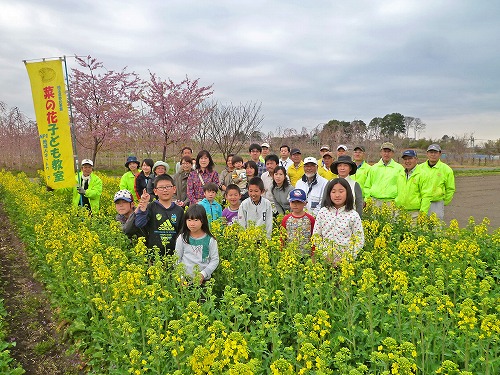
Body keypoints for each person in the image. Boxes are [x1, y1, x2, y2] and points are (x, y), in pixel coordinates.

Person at [313, 178, 365, 265]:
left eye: (341, 191)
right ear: (329, 194)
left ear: (348, 193)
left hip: (346, 264)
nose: (337, 195)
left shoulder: (353, 215)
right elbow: (316, 236)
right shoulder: (323, 212)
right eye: (333, 192)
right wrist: (325, 254)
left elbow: (359, 240)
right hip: (324, 261)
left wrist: (346, 258)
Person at [135, 174, 185, 257]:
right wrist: (143, 209)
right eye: (161, 188)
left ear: (174, 189)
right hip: (153, 254)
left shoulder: (179, 210)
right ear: (155, 191)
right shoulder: (151, 207)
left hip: (173, 255)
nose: (165, 190)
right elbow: (139, 224)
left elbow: (181, 233)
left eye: (168, 187)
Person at [175, 204, 219, 283]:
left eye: (196, 220)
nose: (192, 224)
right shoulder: (182, 238)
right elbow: (176, 259)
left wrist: (203, 274)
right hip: (185, 280)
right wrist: (181, 277)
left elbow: (215, 260)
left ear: (203, 221)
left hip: (204, 280)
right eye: (189, 220)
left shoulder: (210, 240)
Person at [418, 144, 456, 220]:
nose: (433, 154)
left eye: (435, 152)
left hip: (437, 203)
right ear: (427, 154)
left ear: (440, 154)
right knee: (422, 226)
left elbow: (450, 188)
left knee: (436, 228)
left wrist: (443, 202)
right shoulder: (419, 168)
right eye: (431, 152)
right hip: (421, 202)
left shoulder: (446, 169)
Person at [281, 188, 315, 257]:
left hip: (306, 256)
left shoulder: (310, 219)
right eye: (293, 202)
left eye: (299, 202)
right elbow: (282, 238)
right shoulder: (286, 219)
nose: (295, 205)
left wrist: (313, 255)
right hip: (290, 256)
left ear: (305, 203)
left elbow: (314, 238)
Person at [395, 150, 425, 220]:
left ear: (416, 159)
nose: (407, 161)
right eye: (405, 159)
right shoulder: (400, 174)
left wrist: (422, 214)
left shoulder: (422, 174)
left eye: (410, 158)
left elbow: (426, 196)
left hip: (415, 213)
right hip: (400, 211)